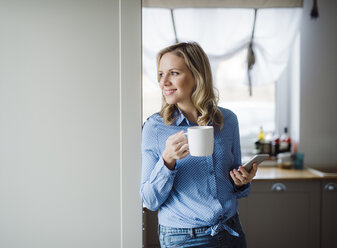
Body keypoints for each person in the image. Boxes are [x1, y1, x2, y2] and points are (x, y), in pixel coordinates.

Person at [140, 42, 257, 248]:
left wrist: (241, 181)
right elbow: (150, 201)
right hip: (184, 237)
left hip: (231, 230)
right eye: (160, 74)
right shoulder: (155, 127)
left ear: (197, 76)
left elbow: (235, 186)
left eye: (173, 73)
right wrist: (167, 160)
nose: (164, 82)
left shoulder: (228, 120)